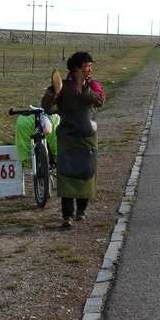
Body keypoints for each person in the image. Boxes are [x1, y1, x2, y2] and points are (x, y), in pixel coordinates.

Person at [41, 51, 106, 228]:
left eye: (90, 66)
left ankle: (81, 211)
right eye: (87, 66)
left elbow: (100, 100)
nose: (90, 69)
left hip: (88, 139)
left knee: (86, 173)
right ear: (77, 68)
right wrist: (53, 92)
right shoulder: (63, 87)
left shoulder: (93, 85)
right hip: (68, 139)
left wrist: (84, 87)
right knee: (67, 175)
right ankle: (67, 216)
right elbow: (46, 105)